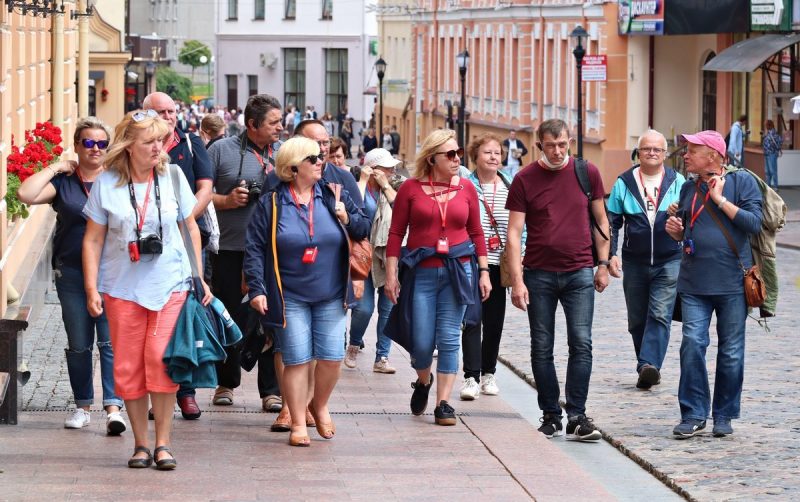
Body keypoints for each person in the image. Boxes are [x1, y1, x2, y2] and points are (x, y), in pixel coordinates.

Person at [82, 109, 211, 469]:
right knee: (128, 367)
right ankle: (141, 444)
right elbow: (92, 240)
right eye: (149, 141)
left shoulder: (172, 178)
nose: (158, 147)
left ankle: (164, 443)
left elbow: (191, 229)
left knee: (159, 359)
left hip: (170, 283)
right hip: (122, 289)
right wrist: (92, 288)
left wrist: (198, 277)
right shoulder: (107, 183)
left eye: (160, 140)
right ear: (128, 147)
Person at [243, 137, 369, 446]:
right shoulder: (272, 203)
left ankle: (320, 404)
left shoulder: (331, 194)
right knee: (297, 359)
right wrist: (258, 288)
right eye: (313, 158)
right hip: (289, 295)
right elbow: (255, 249)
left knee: (331, 358)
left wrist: (346, 217)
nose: (320, 162)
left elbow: (364, 227)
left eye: (320, 157)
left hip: (331, 292)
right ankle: (299, 423)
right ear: (294, 166)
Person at [17, 117, 126, 435]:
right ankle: (82, 406)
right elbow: (25, 193)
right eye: (88, 142)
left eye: (101, 143)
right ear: (77, 146)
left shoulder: (117, 180)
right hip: (72, 274)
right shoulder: (64, 184)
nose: (95, 148)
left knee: (109, 343)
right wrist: (55, 168)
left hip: (112, 274)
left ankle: (114, 408)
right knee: (79, 344)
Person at [505, 118, 610, 442]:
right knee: (542, 346)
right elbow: (514, 233)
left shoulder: (586, 172)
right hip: (539, 274)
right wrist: (517, 281)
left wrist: (603, 264)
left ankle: (577, 415)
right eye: (550, 145)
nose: (557, 151)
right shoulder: (525, 179)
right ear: (539, 145)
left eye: (562, 144)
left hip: (579, 272)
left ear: (569, 141)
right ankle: (550, 413)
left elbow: (601, 220)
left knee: (581, 342)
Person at [385, 129, 491, 426]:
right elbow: (396, 233)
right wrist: (392, 274)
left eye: (459, 153)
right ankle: (422, 379)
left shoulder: (467, 188)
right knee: (420, 342)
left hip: (458, 270)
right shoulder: (411, 189)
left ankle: (443, 403)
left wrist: (483, 272)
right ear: (432, 158)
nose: (458, 159)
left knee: (448, 338)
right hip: (422, 272)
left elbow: (476, 232)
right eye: (451, 154)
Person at [664, 130, 762, 439]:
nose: (685, 154)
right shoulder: (688, 189)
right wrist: (677, 232)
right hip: (694, 283)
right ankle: (693, 413)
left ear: (714, 157)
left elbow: (754, 224)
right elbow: (687, 233)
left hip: (733, 281)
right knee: (692, 343)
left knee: (731, 351)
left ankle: (724, 414)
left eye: (692, 150)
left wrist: (720, 199)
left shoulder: (742, 182)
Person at [207, 94, 284, 413]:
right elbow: (198, 195)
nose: (281, 128)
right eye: (273, 122)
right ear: (252, 125)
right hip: (229, 248)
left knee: (271, 319)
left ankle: (271, 389)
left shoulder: (285, 153)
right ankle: (226, 382)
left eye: (281, 121)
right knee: (230, 316)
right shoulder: (220, 150)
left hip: (274, 252)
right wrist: (225, 201)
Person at [143, 91, 214, 420]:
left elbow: (205, 187)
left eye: (172, 110)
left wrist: (182, 216)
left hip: (186, 238)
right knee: (150, 322)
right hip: (147, 242)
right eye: (162, 111)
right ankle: (151, 392)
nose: (170, 116)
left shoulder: (190, 143)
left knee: (184, 317)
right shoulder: (138, 147)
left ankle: (186, 392)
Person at [606, 130, 685, 390]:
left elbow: (691, 219)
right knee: (637, 319)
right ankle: (646, 364)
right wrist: (610, 256)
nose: (652, 153)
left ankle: (649, 365)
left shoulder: (678, 182)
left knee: (660, 314)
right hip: (635, 261)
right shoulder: (624, 183)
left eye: (657, 150)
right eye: (647, 149)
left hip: (668, 260)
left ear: (664, 154)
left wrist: (680, 217)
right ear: (638, 153)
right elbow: (612, 223)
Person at [459, 133, 519, 400]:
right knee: (473, 319)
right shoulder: (465, 185)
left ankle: (488, 373)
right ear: (476, 156)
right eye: (488, 152)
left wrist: (520, 256)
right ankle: (470, 376)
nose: (494, 157)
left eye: (497, 152)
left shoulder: (510, 185)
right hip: (472, 261)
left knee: (495, 321)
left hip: (500, 263)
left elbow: (521, 226)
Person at [344, 148, 403, 374]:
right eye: (387, 168)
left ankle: (382, 357)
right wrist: (364, 178)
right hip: (363, 253)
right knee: (364, 308)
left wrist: (386, 185)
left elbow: (400, 207)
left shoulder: (396, 185)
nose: (391, 171)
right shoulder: (360, 185)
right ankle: (354, 343)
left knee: (388, 306)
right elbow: (354, 206)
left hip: (388, 253)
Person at [761, 119, 782, 190]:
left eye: (766, 125)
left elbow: (779, 141)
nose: (765, 126)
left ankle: (775, 186)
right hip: (767, 154)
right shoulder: (768, 133)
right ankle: (768, 185)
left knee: (773, 170)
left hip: (772, 154)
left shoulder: (773, 133)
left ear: (769, 125)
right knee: (767, 171)